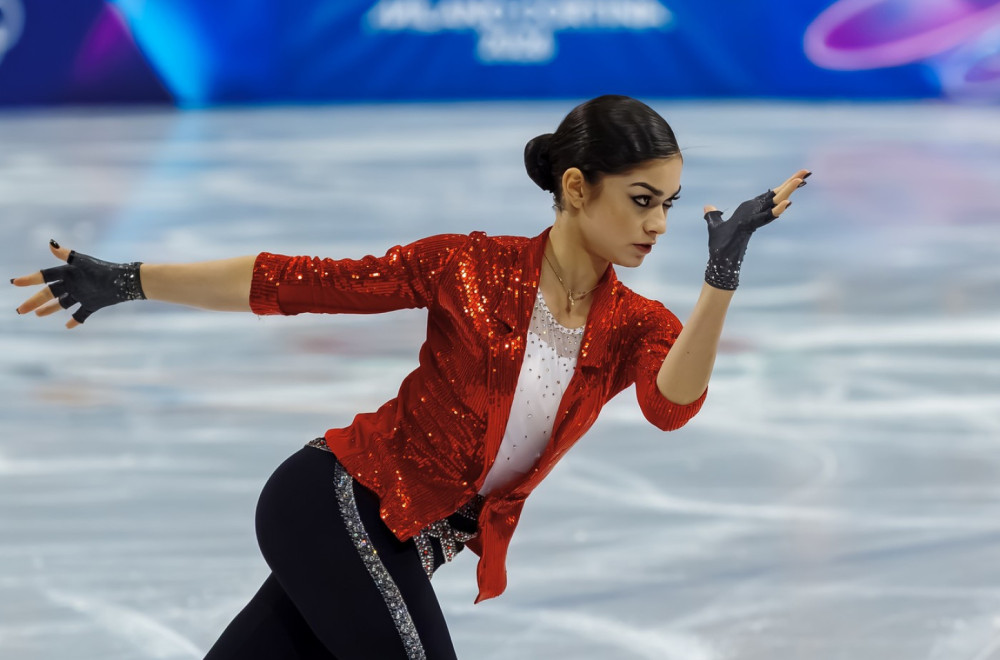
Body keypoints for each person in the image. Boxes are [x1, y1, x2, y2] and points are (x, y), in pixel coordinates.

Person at [11, 95, 809, 660]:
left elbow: (671, 406)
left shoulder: (635, 323)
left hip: (403, 544)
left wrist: (722, 277)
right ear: (576, 187)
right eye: (641, 201)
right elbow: (297, 280)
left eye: (669, 203)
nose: (659, 225)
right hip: (340, 503)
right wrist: (131, 279)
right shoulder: (467, 266)